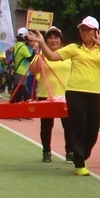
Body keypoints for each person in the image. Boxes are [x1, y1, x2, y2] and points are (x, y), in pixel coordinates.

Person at [30, 17, 100, 176]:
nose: (85, 32)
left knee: (93, 128)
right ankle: (79, 162)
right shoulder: (74, 48)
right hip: (75, 92)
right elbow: (52, 56)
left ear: (96, 31)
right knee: (79, 125)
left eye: (88, 29)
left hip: (95, 92)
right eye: (82, 29)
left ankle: (82, 156)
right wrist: (42, 43)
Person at [29, 27, 72, 162]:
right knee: (47, 125)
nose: (53, 40)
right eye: (50, 38)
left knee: (69, 125)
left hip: (66, 95)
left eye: (56, 38)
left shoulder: (68, 54)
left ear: (61, 40)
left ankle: (70, 151)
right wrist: (39, 53)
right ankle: (46, 151)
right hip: (46, 94)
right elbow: (32, 70)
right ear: (46, 41)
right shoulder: (41, 55)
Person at [8, 29, 34, 101]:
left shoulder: (16, 45)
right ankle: (13, 105)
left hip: (17, 70)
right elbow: (31, 59)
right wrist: (34, 50)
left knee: (17, 89)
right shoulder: (23, 47)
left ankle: (14, 103)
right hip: (22, 71)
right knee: (19, 91)